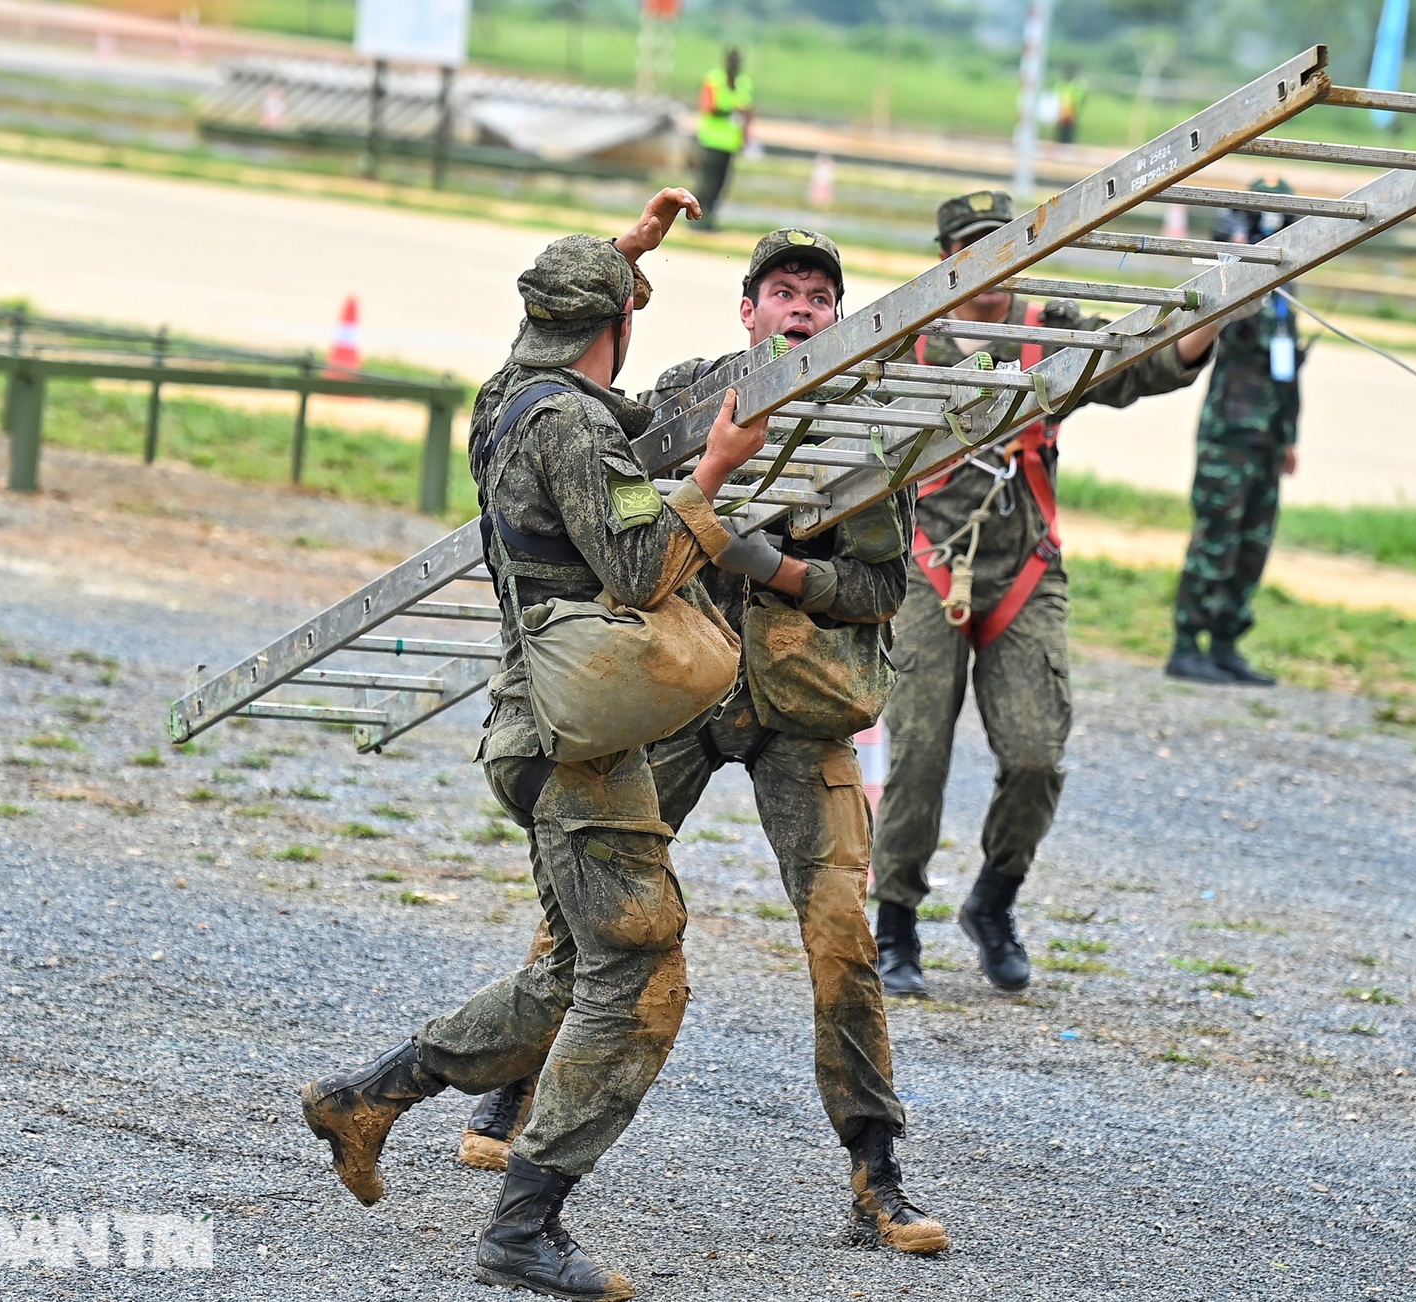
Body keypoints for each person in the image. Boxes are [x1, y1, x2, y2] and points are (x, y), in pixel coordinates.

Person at [297, 189, 779, 1301]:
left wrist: (616, 255)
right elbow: (640, 570)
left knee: (572, 969)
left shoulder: (506, 397)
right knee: (640, 972)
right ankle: (523, 1228)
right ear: (616, 325)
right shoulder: (574, 426)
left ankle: (367, 1099)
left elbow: (556, 333)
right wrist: (713, 470)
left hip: (546, 723)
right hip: (574, 736)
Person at [457, 228, 947, 1257]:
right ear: (748, 310)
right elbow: (581, 430)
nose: (802, 306)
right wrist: (616, 269)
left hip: (801, 703)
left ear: (838, 314)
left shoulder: (868, 422)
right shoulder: (690, 395)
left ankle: (877, 1173)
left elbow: (880, 589)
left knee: (841, 937)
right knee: (593, 900)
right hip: (684, 692)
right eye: (783, 290)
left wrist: (778, 570)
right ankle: (509, 1096)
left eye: (820, 294)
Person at [870, 189, 1224, 998]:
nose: (993, 267)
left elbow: (1147, 364)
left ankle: (994, 900)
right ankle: (894, 923)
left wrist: (1219, 307)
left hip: (1024, 571)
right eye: (974, 249)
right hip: (927, 566)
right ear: (945, 260)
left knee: (1036, 752)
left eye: (1007, 248)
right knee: (918, 751)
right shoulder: (904, 341)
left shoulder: (1050, 330)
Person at [1168, 177, 1305, 687]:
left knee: (1252, 544)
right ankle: (1187, 644)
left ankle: (1226, 643)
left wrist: (1287, 435)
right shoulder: (1236, 276)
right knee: (1215, 541)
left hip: (1267, 438)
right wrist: (1238, 249)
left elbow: (1285, 372)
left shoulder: (1288, 289)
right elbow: (1219, 315)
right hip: (1228, 435)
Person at [695, 46, 754, 230]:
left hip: (730, 142)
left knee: (721, 184)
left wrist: (745, 137)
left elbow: (747, 112)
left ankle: (710, 219)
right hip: (712, 140)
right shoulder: (714, 80)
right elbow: (707, 106)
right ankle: (697, 219)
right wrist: (732, 109)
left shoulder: (744, 83)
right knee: (707, 183)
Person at [1054, 65, 1087, 145]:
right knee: (1060, 135)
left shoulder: (1076, 85)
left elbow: (1079, 99)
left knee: (1068, 134)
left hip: (1071, 112)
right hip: (1061, 113)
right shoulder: (1061, 84)